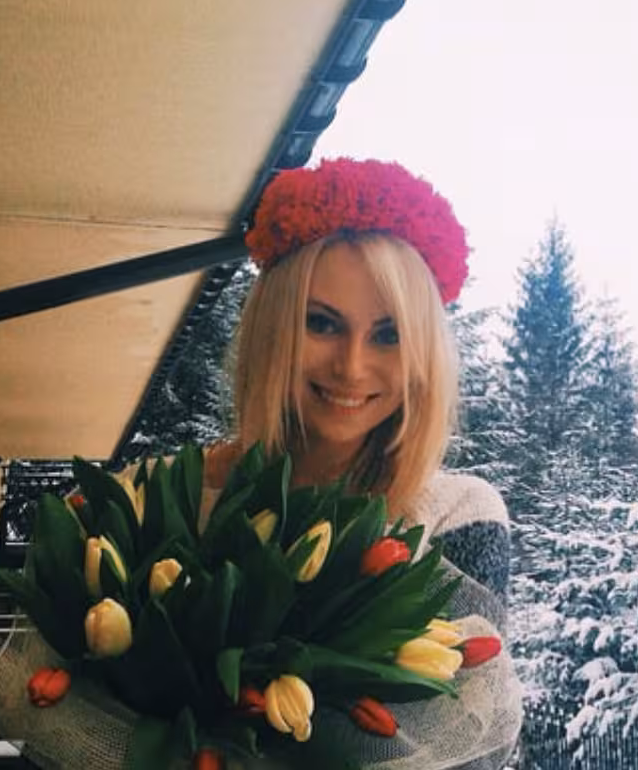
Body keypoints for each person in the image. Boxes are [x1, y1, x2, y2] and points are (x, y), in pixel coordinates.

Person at [196, 156, 523, 769]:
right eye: (322, 323)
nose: (351, 366)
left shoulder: (457, 512)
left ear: (424, 352)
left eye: (388, 334)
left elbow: (467, 742)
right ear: (272, 328)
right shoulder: (187, 495)